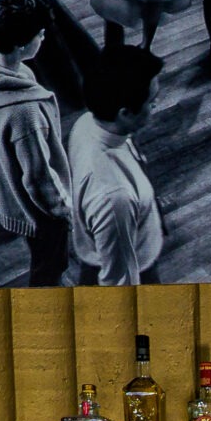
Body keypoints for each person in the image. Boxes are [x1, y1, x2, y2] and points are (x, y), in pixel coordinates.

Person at [0, 0, 79, 286]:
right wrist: (67, 212)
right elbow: (39, 180)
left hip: (5, 186)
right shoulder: (25, 112)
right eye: (39, 33)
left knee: (38, 251)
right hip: (42, 211)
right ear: (20, 43)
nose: (43, 37)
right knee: (49, 266)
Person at [67, 43, 168, 287]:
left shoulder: (87, 123)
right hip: (136, 271)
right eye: (152, 101)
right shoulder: (115, 197)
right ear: (125, 113)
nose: (156, 106)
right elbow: (117, 284)